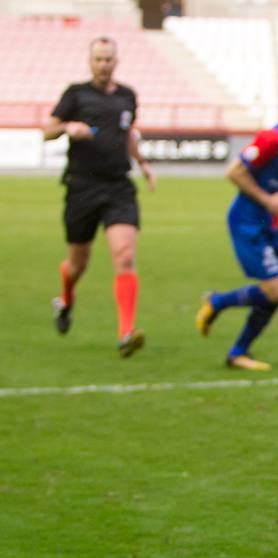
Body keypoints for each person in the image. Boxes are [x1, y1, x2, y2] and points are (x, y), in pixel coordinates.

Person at [196, 79, 278, 371]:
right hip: (247, 221)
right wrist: (267, 200)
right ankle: (217, 302)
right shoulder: (273, 138)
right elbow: (235, 171)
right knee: (277, 290)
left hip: (270, 223)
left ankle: (238, 352)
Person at [44, 36, 155, 357]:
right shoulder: (75, 94)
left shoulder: (127, 96)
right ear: (90, 62)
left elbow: (128, 135)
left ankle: (125, 333)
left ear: (116, 62)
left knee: (124, 256)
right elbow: (47, 130)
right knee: (78, 264)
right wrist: (67, 127)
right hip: (82, 187)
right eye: (98, 59)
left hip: (118, 186)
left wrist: (143, 164)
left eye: (109, 59)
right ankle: (65, 300)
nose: (104, 64)